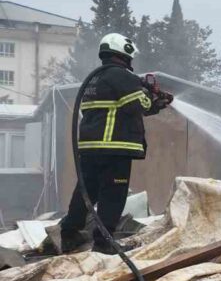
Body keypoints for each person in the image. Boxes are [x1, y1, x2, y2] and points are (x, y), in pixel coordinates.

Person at [56, 33, 172, 253]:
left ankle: (69, 234)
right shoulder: (121, 76)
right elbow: (138, 104)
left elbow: (121, 107)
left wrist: (154, 103)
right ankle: (104, 243)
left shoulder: (94, 79)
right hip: (113, 147)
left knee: (86, 191)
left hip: (91, 147)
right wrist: (152, 97)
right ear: (124, 52)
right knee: (113, 194)